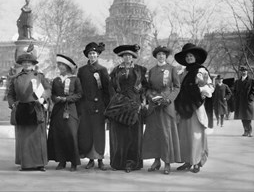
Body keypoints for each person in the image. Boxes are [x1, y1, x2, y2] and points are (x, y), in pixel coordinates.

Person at [106, 44, 148, 173]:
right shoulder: (116, 70)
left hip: (134, 104)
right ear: (122, 57)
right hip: (119, 105)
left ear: (133, 57)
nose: (127, 57)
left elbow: (146, 86)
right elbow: (110, 87)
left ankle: (132, 163)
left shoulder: (140, 70)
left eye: (129, 55)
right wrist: (116, 99)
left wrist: (141, 94)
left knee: (133, 135)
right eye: (125, 55)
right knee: (118, 134)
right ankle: (118, 162)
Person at [7, 51, 51, 171]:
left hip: (37, 109)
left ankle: (40, 164)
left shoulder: (39, 76)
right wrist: (12, 104)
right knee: (24, 138)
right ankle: (25, 164)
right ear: (21, 64)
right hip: (22, 109)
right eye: (24, 62)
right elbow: (10, 94)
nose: (26, 64)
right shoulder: (15, 78)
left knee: (38, 138)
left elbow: (48, 89)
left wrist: (43, 97)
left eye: (29, 62)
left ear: (33, 64)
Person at [174, 43, 214, 173]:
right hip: (182, 107)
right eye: (187, 56)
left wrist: (202, 93)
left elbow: (209, 87)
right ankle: (188, 160)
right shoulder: (183, 72)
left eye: (191, 56)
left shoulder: (201, 70)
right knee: (184, 135)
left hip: (195, 108)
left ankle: (197, 162)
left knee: (196, 135)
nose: (189, 58)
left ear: (196, 57)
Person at [142, 46, 181, 175]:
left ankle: (167, 162)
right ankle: (156, 160)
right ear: (155, 56)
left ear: (166, 56)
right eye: (158, 54)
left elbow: (176, 87)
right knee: (154, 133)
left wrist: (169, 99)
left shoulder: (172, 69)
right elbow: (148, 88)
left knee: (166, 133)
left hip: (166, 105)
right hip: (154, 105)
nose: (161, 56)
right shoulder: (152, 70)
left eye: (163, 54)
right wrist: (150, 97)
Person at [77, 42, 111, 170]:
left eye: (94, 54)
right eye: (90, 54)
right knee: (88, 132)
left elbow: (107, 90)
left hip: (99, 106)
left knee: (99, 132)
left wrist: (107, 107)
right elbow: (79, 89)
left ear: (98, 55)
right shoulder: (82, 70)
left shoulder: (102, 70)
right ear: (87, 55)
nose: (92, 56)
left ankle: (100, 159)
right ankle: (91, 159)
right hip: (86, 106)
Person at [47, 54, 82, 172]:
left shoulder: (75, 79)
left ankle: (73, 162)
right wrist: (55, 99)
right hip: (58, 111)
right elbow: (52, 94)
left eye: (62, 65)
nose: (60, 67)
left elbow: (79, 94)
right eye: (59, 65)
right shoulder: (56, 80)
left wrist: (67, 99)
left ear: (67, 66)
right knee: (59, 135)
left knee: (71, 135)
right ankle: (61, 161)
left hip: (70, 110)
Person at [234, 66, 254, 137]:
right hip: (240, 102)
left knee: (248, 117)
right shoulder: (237, 81)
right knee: (242, 117)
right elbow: (235, 91)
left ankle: (249, 131)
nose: (243, 72)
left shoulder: (251, 81)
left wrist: (251, 98)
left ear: (247, 71)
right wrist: (236, 97)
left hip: (248, 101)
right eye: (242, 71)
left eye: (244, 71)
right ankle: (245, 131)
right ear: (240, 72)